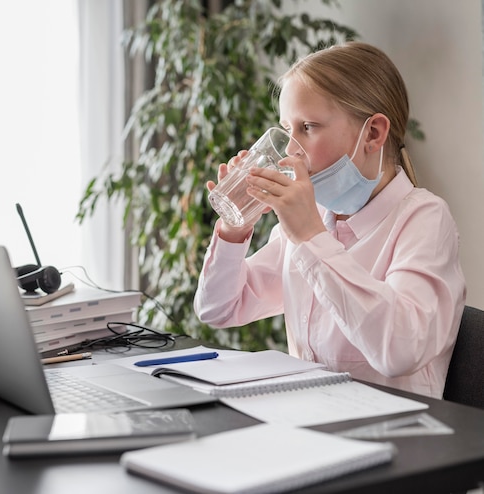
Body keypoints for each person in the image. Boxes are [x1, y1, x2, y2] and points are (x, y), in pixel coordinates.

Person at [194, 42, 466, 399]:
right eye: (286, 128)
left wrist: (310, 237)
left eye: (307, 127)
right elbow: (218, 308)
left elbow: (400, 351)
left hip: (395, 437)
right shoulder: (314, 220)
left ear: (373, 134)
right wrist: (236, 226)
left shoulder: (423, 219)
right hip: (310, 422)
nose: (290, 150)